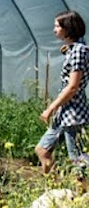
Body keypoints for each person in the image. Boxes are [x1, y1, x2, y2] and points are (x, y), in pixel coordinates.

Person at [35, 11, 89, 174]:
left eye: (57, 26)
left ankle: (83, 195)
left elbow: (73, 87)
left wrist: (50, 108)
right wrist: (67, 49)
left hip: (73, 114)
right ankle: (56, 190)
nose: (54, 30)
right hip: (64, 113)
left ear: (68, 29)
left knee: (78, 161)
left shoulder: (79, 51)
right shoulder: (74, 49)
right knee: (42, 150)